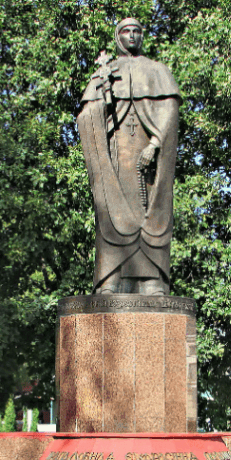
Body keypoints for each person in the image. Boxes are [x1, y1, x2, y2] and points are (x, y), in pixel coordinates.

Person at [77, 17, 181, 295]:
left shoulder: (157, 71)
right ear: (117, 37)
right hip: (115, 159)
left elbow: (169, 113)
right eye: (126, 31)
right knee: (111, 214)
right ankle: (112, 279)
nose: (132, 35)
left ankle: (152, 281)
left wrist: (155, 144)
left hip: (149, 161)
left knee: (151, 216)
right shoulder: (105, 72)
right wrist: (100, 100)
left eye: (137, 31)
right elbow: (87, 114)